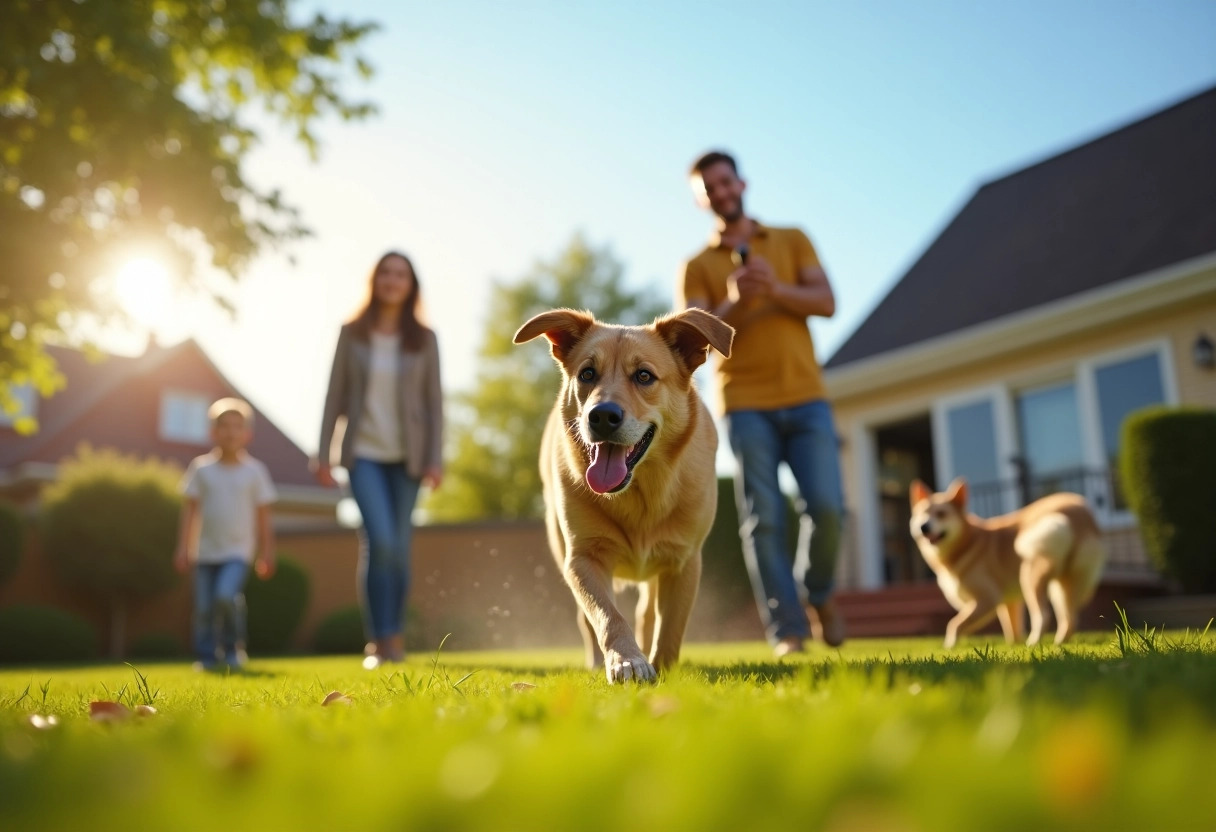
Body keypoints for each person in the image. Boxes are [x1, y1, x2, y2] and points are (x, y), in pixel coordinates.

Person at [678, 150, 847, 656]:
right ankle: (787, 631)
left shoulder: (791, 239)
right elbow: (690, 340)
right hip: (744, 403)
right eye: (709, 189)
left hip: (806, 394)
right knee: (764, 516)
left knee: (828, 508)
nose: (721, 192)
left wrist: (775, 288)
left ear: (741, 183)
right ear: (701, 201)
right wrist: (733, 300)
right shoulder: (697, 266)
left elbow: (826, 302)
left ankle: (818, 594)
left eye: (725, 182)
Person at [316, 250, 444, 669]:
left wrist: (435, 459)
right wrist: (322, 453)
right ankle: (378, 640)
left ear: (411, 285)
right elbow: (334, 394)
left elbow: (434, 403)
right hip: (362, 454)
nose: (392, 280)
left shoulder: (424, 339)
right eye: (386, 273)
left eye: (401, 274)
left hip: (408, 458)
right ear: (375, 280)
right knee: (381, 542)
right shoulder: (351, 333)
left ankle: (394, 639)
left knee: (399, 549)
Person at [175, 397, 277, 670]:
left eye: (237, 426)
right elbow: (190, 511)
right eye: (225, 426)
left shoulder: (255, 472)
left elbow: (264, 518)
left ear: (247, 434)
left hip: (238, 551)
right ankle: (207, 656)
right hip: (206, 552)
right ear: (213, 432)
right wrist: (183, 548)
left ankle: (233, 649)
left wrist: (267, 553)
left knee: (225, 596)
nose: (231, 432)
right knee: (205, 608)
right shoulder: (201, 469)